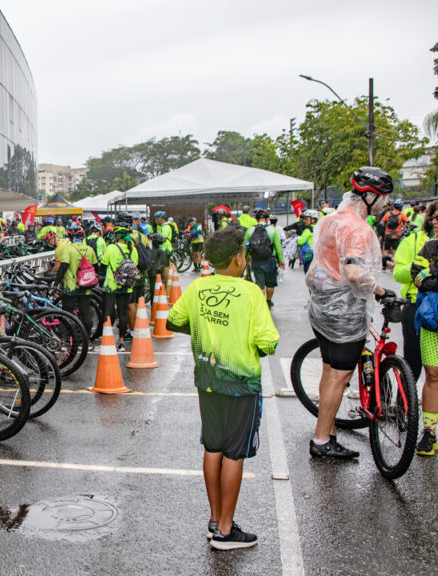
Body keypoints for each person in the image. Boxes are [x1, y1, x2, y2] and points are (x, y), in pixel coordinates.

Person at [166, 226, 278, 550]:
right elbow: (268, 343)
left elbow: (173, 320)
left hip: (207, 380)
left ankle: (215, 521)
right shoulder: (251, 293)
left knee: (213, 448)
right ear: (239, 258)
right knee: (234, 454)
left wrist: (203, 332)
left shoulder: (198, 287)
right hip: (242, 384)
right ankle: (226, 532)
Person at [305, 167, 393, 459]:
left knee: (329, 370)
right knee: (340, 377)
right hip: (344, 313)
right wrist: (380, 290)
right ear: (369, 196)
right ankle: (321, 441)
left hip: (321, 308)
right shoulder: (358, 229)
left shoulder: (329, 220)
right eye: (382, 197)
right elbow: (354, 272)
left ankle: (327, 431)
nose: (384, 203)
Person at [392, 203, 436, 384]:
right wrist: (420, 266)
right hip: (417, 306)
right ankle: (404, 401)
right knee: (413, 365)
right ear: (430, 220)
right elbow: (398, 274)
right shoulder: (413, 240)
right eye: (436, 218)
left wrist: (430, 271)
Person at [409, 234, 438, 456]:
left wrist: (432, 271)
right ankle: (429, 433)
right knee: (433, 374)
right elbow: (416, 276)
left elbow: (427, 280)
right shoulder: (430, 247)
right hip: (432, 321)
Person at [50, 232, 97, 346]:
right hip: (86, 286)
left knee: (67, 314)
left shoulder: (68, 249)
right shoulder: (89, 249)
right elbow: (96, 267)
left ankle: (66, 338)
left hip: (71, 287)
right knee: (85, 313)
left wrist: (55, 285)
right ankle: (87, 339)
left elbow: (63, 268)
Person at [102, 216, 139, 344]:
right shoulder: (133, 249)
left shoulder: (111, 248)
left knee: (108, 313)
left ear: (118, 236)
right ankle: (122, 340)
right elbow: (135, 265)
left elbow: (103, 264)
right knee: (123, 313)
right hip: (126, 286)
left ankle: (107, 339)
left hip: (111, 285)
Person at [244, 209, 284, 307]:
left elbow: (246, 244)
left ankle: (261, 304)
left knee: (260, 283)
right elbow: (278, 246)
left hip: (256, 260)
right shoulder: (272, 229)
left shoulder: (250, 229)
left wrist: (247, 257)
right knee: (270, 284)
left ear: (256, 219)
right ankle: (268, 301)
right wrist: (281, 260)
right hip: (270, 260)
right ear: (267, 219)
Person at [153, 211, 173, 283]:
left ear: (161, 218)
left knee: (165, 268)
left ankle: (167, 284)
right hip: (161, 249)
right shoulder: (160, 226)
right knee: (161, 267)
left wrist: (154, 237)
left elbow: (163, 238)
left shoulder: (166, 227)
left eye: (156, 219)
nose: (155, 221)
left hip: (165, 249)